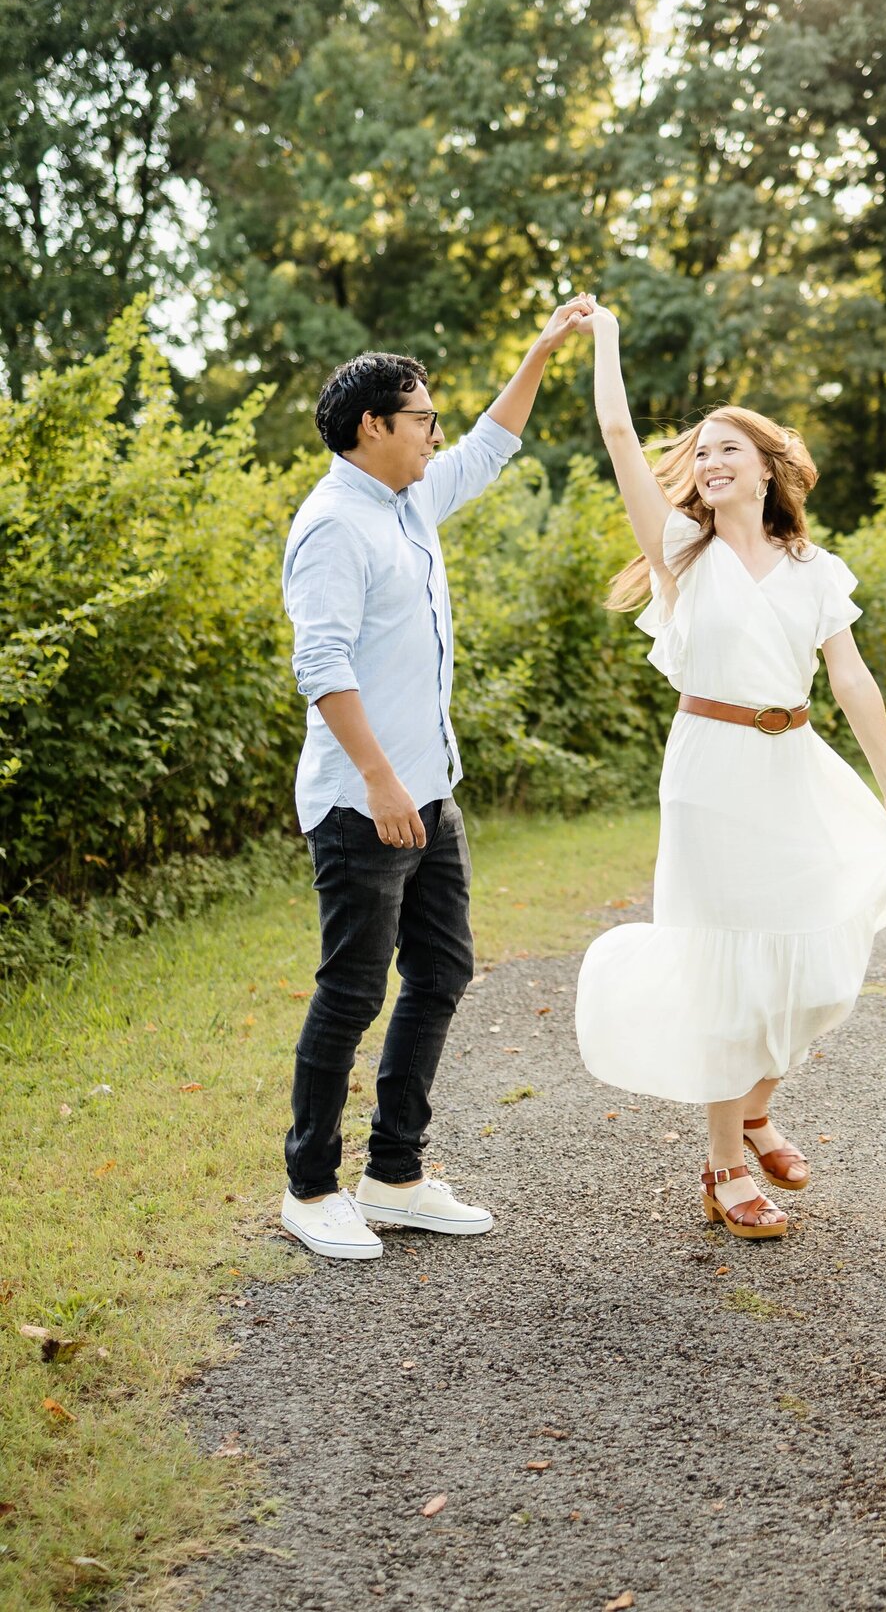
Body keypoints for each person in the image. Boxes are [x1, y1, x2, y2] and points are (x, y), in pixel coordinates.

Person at [574, 301, 886, 1239]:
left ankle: (758, 1107)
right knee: (727, 966)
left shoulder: (816, 570)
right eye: (704, 453)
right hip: (708, 772)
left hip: (794, 763)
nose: (714, 462)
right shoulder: (681, 553)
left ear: (769, 470)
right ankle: (724, 1166)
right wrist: (604, 335)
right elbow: (616, 430)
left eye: (734, 450)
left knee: (820, 965)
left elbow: (851, 680)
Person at [281, 301, 589, 1259]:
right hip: (362, 802)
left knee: (443, 971)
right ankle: (310, 1186)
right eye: (421, 417)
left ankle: (396, 1172)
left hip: (431, 791)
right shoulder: (334, 524)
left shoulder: (408, 498)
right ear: (373, 426)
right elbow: (322, 666)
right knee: (352, 990)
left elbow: (494, 443)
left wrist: (538, 350)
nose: (436, 433)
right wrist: (378, 783)